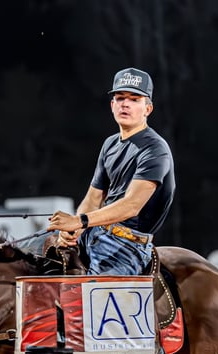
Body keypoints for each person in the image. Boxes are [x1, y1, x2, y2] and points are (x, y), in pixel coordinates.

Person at [47, 67, 175, 276]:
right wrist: (73, 230)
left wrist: (80, 221)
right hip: (94, 233)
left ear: (148, 109)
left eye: (134, 99)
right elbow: (93, 199)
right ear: (112, 105)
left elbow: (132, 205)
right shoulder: (110, 144)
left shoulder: (155, 149)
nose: (125, 104)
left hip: (128, 246)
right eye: (120, 97)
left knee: (93, 296)